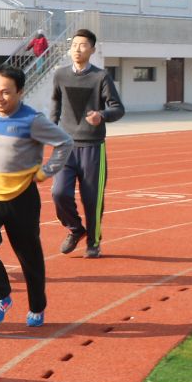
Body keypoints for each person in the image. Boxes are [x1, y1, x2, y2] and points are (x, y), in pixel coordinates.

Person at [0, 65, 73, 327]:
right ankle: (1, 295)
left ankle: (37, 307)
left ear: (20, 92)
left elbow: (65, 143)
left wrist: (45, 172)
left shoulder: (33, 120)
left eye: (6, 92)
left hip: (21, 198)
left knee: (29, 258)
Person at [50, 28, 125, 259]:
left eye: (83, 45)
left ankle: (93, 242)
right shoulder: (60, 75)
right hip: (66, 146)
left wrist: (101, 115)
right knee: (59, 193)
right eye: (74, 45)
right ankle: (75, 229)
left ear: (92, 50)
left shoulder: (101, 77)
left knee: (92, 199)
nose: (77, 49)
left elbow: (118, 108)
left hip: (93, 147)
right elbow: (55, 106)